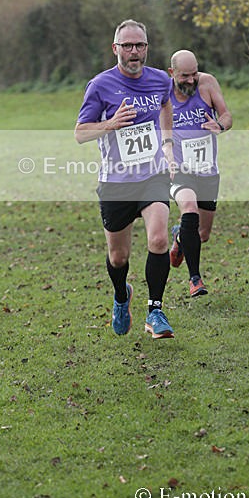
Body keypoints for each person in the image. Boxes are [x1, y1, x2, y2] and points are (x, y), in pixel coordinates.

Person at [75, 20, 176, 339]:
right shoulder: (100, 85)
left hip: (153, 175)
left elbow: (166, 106)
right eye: (128, 45)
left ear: (147, 47)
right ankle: (122, 296)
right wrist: (112, 124)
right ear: (115, 48)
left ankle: (155, 311)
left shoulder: (160, 79)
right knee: (119, 258)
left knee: (159, 239)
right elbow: (80, 133)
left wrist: (168, 145)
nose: (135, 51)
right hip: (116, 183)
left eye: (140, 45)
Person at [168, 49, 232, 297]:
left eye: (194, 73)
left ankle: (179, 236)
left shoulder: (207, 83)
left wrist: (220, 125)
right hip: (178, 168)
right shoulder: (162, 91)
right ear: (172, 73)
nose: (191, 80)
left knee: (202, 234)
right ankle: (195, 280)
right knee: (189, 208)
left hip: (206, 169)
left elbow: (227, 115)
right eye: (185, 76)